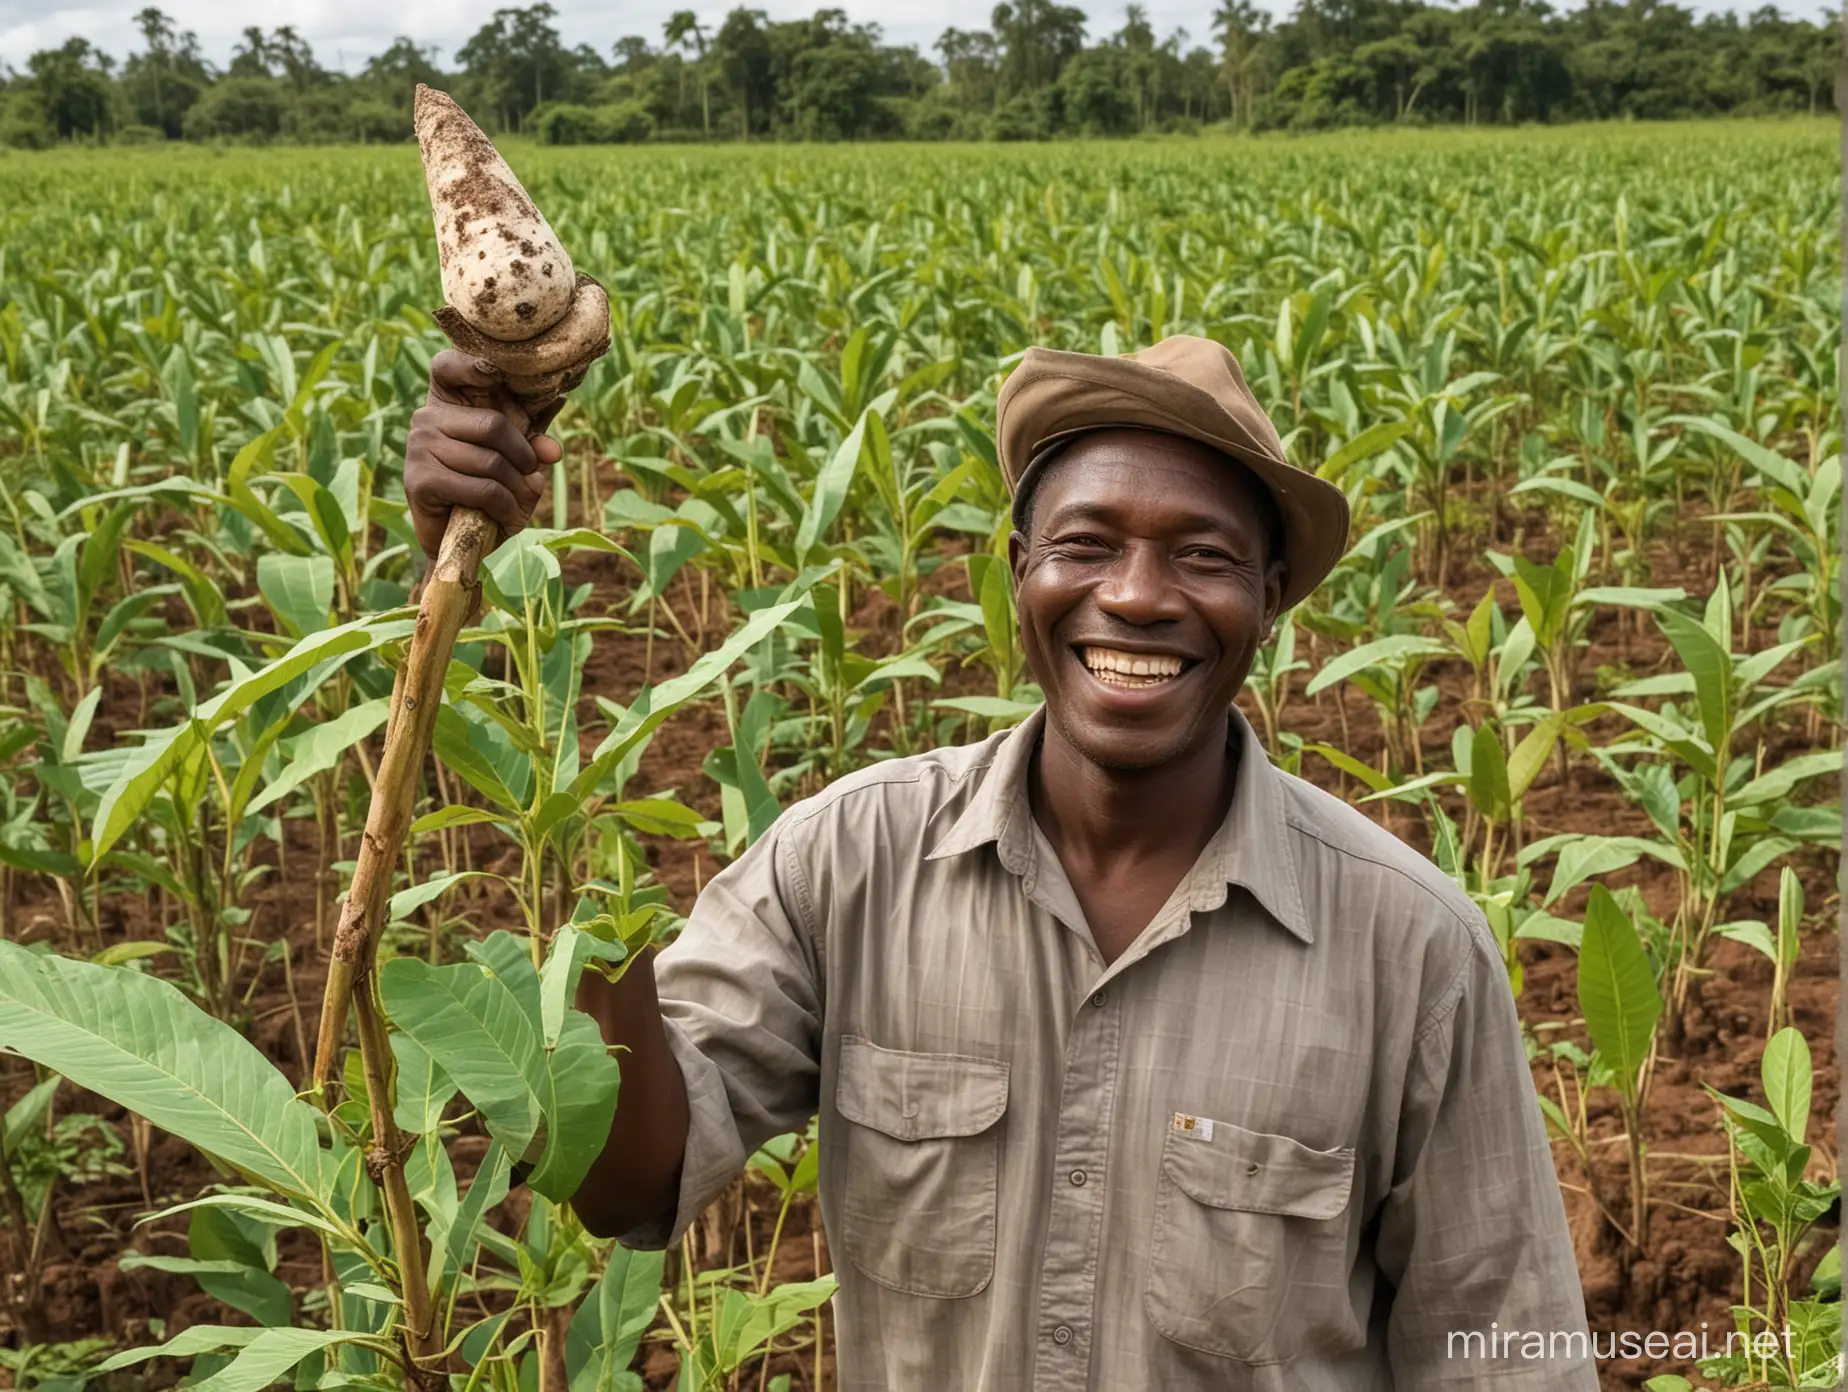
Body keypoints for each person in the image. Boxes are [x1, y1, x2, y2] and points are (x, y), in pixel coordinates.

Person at [404, 334, 1598, 1390]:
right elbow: (628, 1184)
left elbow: (1507, 1349)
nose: (1135, 596)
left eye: (1202, 557)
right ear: (1018, 570)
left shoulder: (1412, 947)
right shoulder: (851, 861)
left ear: (1271, 597)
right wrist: (476, 626)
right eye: (1086, 544)